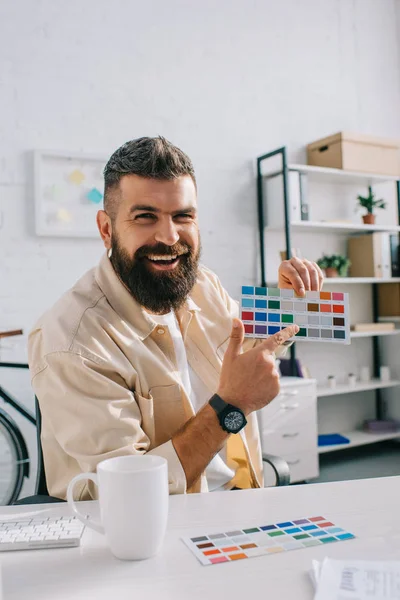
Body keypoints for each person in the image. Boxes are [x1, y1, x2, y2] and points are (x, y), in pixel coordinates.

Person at [28, 137, 323, 500]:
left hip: (240, 501)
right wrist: (233, 406)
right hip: (143, 531)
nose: (169, 237)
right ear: (106, 228)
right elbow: (130, 490)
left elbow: (242, 358)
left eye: (183, 216)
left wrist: (285, 300)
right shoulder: (71, 342)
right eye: (145, 217)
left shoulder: (201, 283)